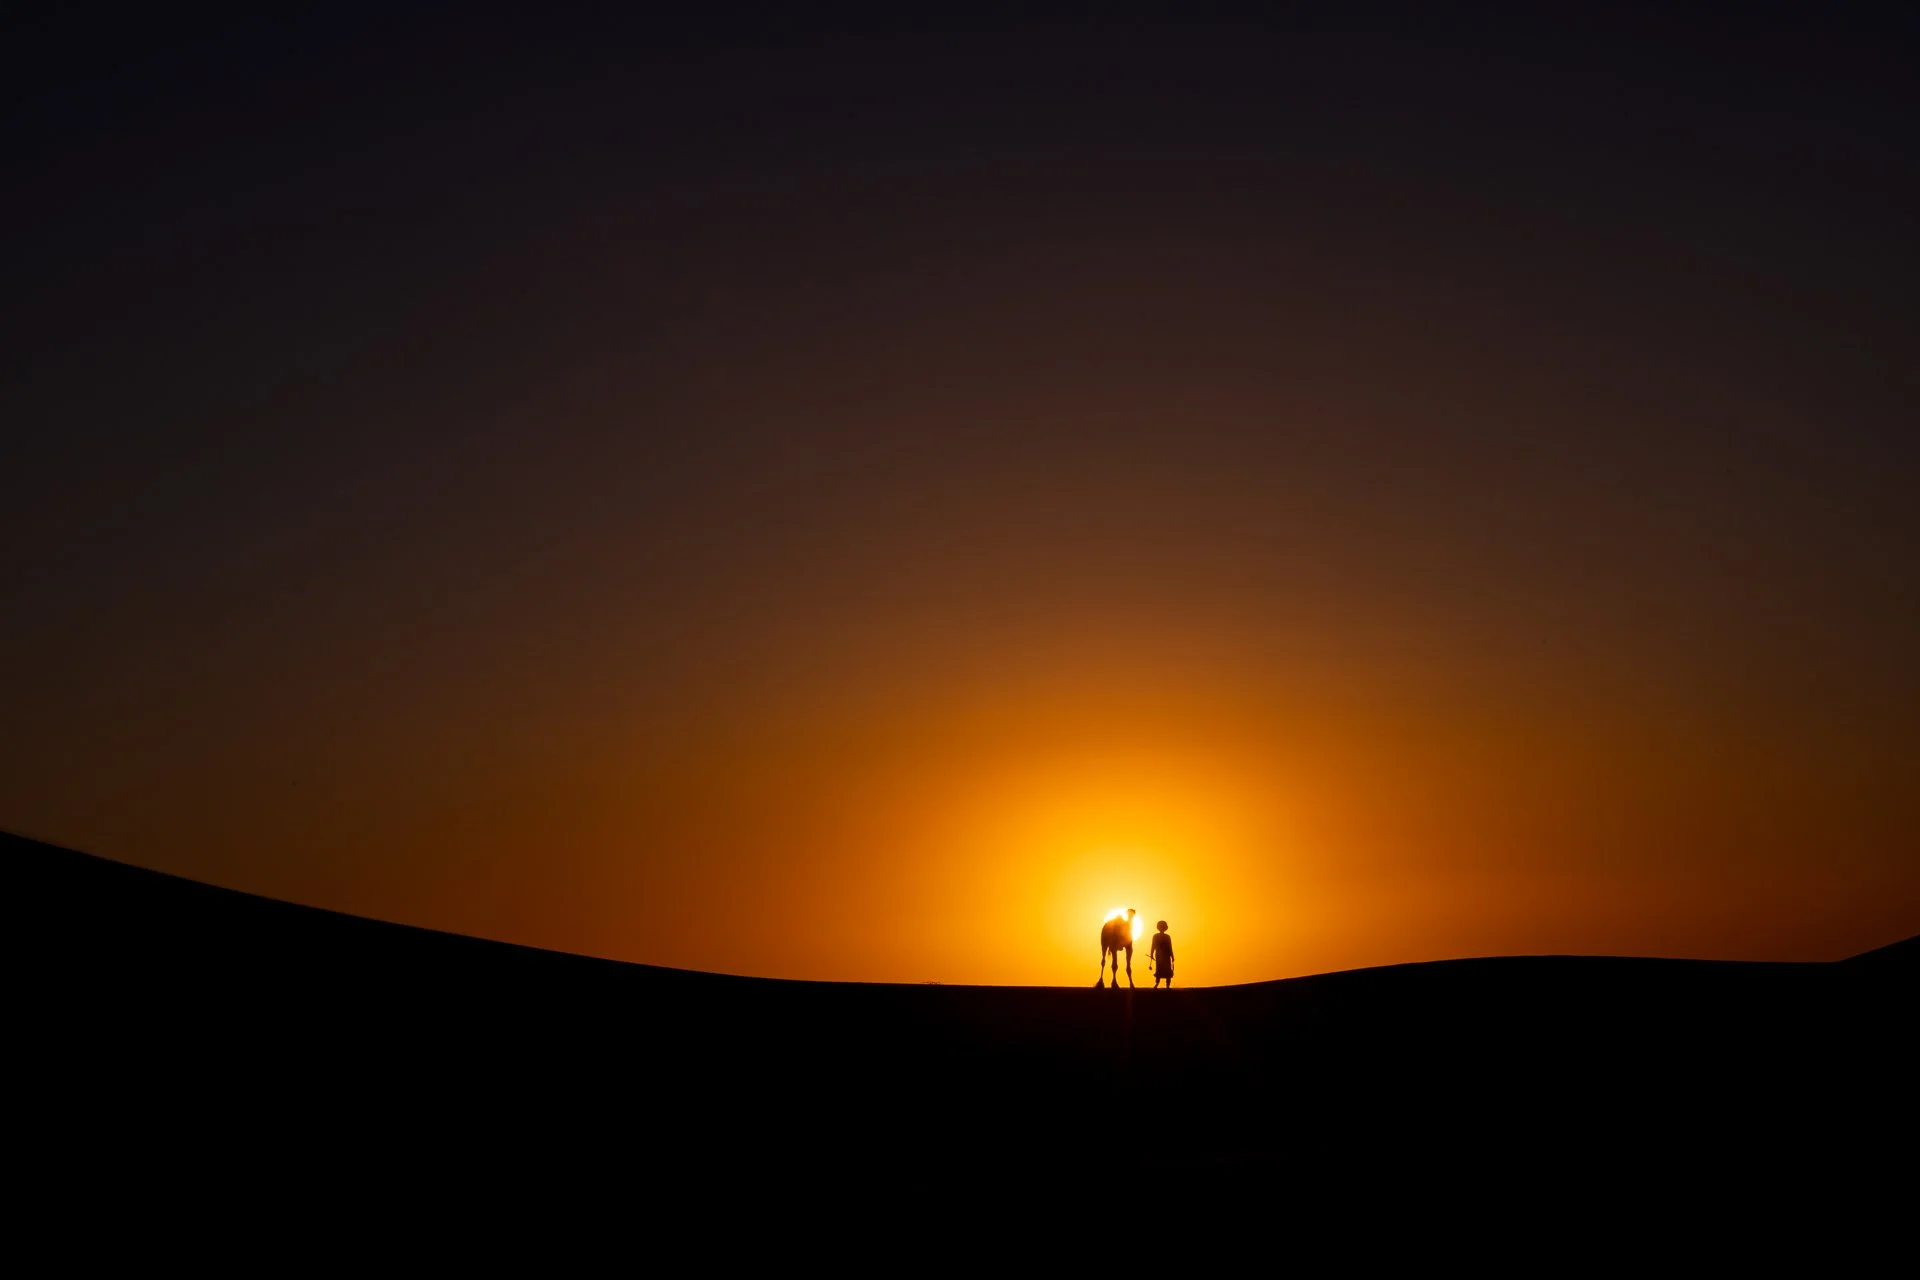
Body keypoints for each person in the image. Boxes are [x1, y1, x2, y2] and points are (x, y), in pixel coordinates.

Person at [1150, 920, 1174, 988]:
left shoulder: (1167, 937)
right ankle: (1158, 983)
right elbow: (1153, 946)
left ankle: (1167, 985)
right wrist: (1151, 953)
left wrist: (1172, 956)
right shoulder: (1156, 936)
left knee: (1166, 969)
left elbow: (1170, 947)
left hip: (1165, 955)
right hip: (1160, 955)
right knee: (1159, 969)